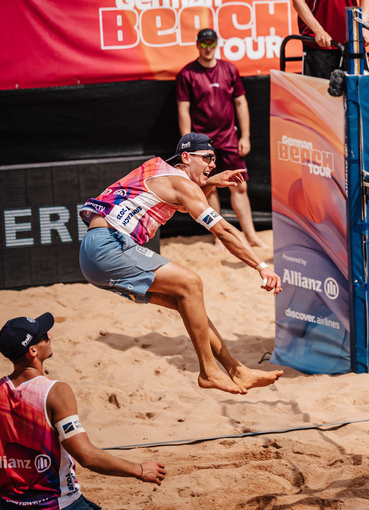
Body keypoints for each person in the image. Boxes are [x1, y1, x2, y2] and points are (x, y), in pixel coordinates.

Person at [79, 133, 284, 394]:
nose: (212, 164)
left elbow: (185, 203)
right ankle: (209, 372)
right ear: (186, 157)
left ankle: (237, 370)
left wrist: (211, 182)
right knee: (191, 283)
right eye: (207, 158)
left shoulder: (160, 172)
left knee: (185, 302)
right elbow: (222, 231)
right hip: (108, 246)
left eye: (215, 159)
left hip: (94, 256)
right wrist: (261, 266)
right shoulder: (179, 184)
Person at [0, 313, 166, 507]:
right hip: (58, 505)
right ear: (32, 351)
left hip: (8, 505)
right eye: (43, 336)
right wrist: (139, 470)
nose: (50, 335)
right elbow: (87, 456)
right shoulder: (55, 392)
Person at [176, 30, 264, 251]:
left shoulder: (229, 69)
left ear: (216, 44)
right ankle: (219, 236)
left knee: (239, 187)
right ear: (197, 45)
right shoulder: (187, 74)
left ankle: (251, 235)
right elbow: (183, 110)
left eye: (211, 43)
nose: (207, 47)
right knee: (209, 188)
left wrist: (245, 136)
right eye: (204, 43)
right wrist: (187, 144)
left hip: (229, 138)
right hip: (202, 144)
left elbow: (241, 103)